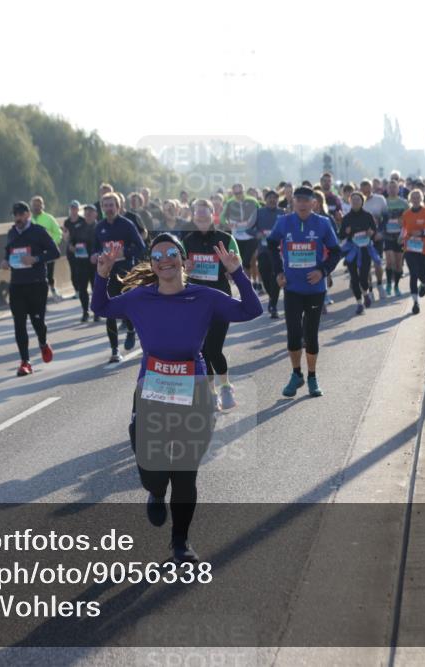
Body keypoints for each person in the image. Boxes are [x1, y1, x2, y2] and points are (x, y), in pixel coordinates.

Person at [91, 233, 262, 563]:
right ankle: (155, 490)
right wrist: (103, 273)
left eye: (172, 253)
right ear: (153, 265)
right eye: (157, 255)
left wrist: (236, 273)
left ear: (185, 261)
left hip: (194, 390)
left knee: (185, 473)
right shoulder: (140, 298)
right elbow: (101, 307)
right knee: (155, 469)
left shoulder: (204, 297)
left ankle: (180, 544)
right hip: (152, 389)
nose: (164, 259)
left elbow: (250, 310)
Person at [266, 186, 342, 398]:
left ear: (313, 203)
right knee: (293, 333)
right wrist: (278, 272)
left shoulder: (323, 223)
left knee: (311, 333)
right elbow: (271, 244)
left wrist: (323, 270)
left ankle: (312, 377)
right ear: (293, 202)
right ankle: (296, 374)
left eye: (305, 200)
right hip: (292, 287)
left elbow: (336, 251)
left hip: (315, 289)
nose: (301, 203)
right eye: (298, 200)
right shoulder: (284, 222)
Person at [183, 199, 242, 410]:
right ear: (193, 218)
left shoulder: (226, 239)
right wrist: (185, 268)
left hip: (220, 301)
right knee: (203, 351)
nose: (202, 221)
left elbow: (238, 265)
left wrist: (231, 268)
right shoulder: (187, 241)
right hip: (195, 303)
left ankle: (225, 386)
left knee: (214, 348)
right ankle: (211, 393)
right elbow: (178, 270)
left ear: (213, 216)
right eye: (198, 218)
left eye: (205, 217)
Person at [1, 201, 60, 375]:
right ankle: (25, 362)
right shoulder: (11, 233)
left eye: (21, 214)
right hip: (17, 284)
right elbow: (8, 253)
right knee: (19, 324)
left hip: (37, 284)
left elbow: (54, 252)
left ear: (28, 215)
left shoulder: (38, 231)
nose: (18, 218)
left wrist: (35, 259)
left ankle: (43, 342)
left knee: (37, 322)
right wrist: (4, 261)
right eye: (15, 214)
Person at [91, 192, 146, 362]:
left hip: (126, 273)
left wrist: (125, 252)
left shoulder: (127, 225)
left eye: (111, 205)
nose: (108, 208)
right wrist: (93, 256)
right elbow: (94, 249)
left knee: (128, 307)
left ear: (118, 206)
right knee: (108, 311)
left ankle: (131, 330)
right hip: (106, 274)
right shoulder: (99, 227)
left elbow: (141, 247)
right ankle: (114, 350)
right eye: (105, 205)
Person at [338, 192, 381, 315]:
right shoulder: (346, 218)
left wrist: (370, 233)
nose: (356, 202)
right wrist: (346, 232)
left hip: (365, 249)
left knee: (363, 277)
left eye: (358, 200)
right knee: (354, 278)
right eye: (353, 200)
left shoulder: (368, 216)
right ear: (350, 202)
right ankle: (359, 303)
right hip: (352, 250)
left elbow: (374, 232)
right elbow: (341, 235)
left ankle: (366, 294)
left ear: (362, 201)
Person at [400, 189, 425, 315]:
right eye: (414, 197)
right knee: (413, 273)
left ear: (421, 198)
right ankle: (415, 303)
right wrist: (401, 236)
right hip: (410, 248)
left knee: (421, 274)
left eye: (418, 197)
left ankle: (424, 282)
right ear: (410, 199)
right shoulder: (406, 214)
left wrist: (423, 232)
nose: (416, 199)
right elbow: (404, 229)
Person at [220, 183, 260, 284]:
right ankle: (248, 285)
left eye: (240, 192)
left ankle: (253, 284)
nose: (238, 195)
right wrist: (227, 224)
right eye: (236, 193)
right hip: (237, 236)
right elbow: (222, 218)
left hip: (251, 236)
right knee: (242, 262)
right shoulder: (229, 203)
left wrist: (256, 226)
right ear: (233, 193)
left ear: (244, 191)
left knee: (249, 261)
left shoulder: (252, 200)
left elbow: (260, 213)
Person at [64, 202, 97, 322]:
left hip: (95, 264)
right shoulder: (78, 227)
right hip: (81, 262)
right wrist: (71, 247)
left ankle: (97, 311)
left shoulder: (99, 227)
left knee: (96, 288)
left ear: (95, 214)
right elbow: (71, 241)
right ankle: (85, 311)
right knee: (82, 288)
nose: (88, 214)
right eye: (86, 212)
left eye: (91, 212)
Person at [254, 189, 283, 318]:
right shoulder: (259, 212)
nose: (272, 200)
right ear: (265, 200)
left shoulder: (282, 213)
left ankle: (273, 305)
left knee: (275, 276)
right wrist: (257, 234)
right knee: (265, 276)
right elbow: (248, 228)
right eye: (270, 198)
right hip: (263, 251)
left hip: (278, 251)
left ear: (277, 200)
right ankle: (272, 297)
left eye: (274, 198)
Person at [30, 195, 64, 302]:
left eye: (39, 205)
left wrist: (51, 245)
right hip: (33, 254)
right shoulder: (28, 220)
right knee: (34, 275)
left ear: (43, 206)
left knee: (49, 274)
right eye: (34, 205)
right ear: (31, 206)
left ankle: (53, 291)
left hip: (47, 253)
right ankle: (37, 295)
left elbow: (58, 233)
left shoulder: (49, 218)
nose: (37, 207)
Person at [359, 179, 388, 292]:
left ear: (371, 188)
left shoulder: (380, 199)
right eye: (363, 191)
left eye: (367, 190)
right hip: (363, 238)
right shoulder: (358, 201)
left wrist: (380, 233)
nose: (365, 193)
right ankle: (370, 289)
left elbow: (385, 218)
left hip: (377, 236)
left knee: (377, 263)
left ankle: (380, 285)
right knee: (366, 267)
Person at [382, 180, 409, 295]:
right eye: (390, 187)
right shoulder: (384, 203)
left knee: (398, 264)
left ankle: (396, 287)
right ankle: (388, 284)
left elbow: (408, 221)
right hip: (387, 236)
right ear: (387, 190)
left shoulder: (404, 203)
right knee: (389, 261)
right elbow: (379, 219)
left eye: (394, 187)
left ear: (398, 189)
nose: (392, 189)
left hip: (400, 236)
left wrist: (403, 227)